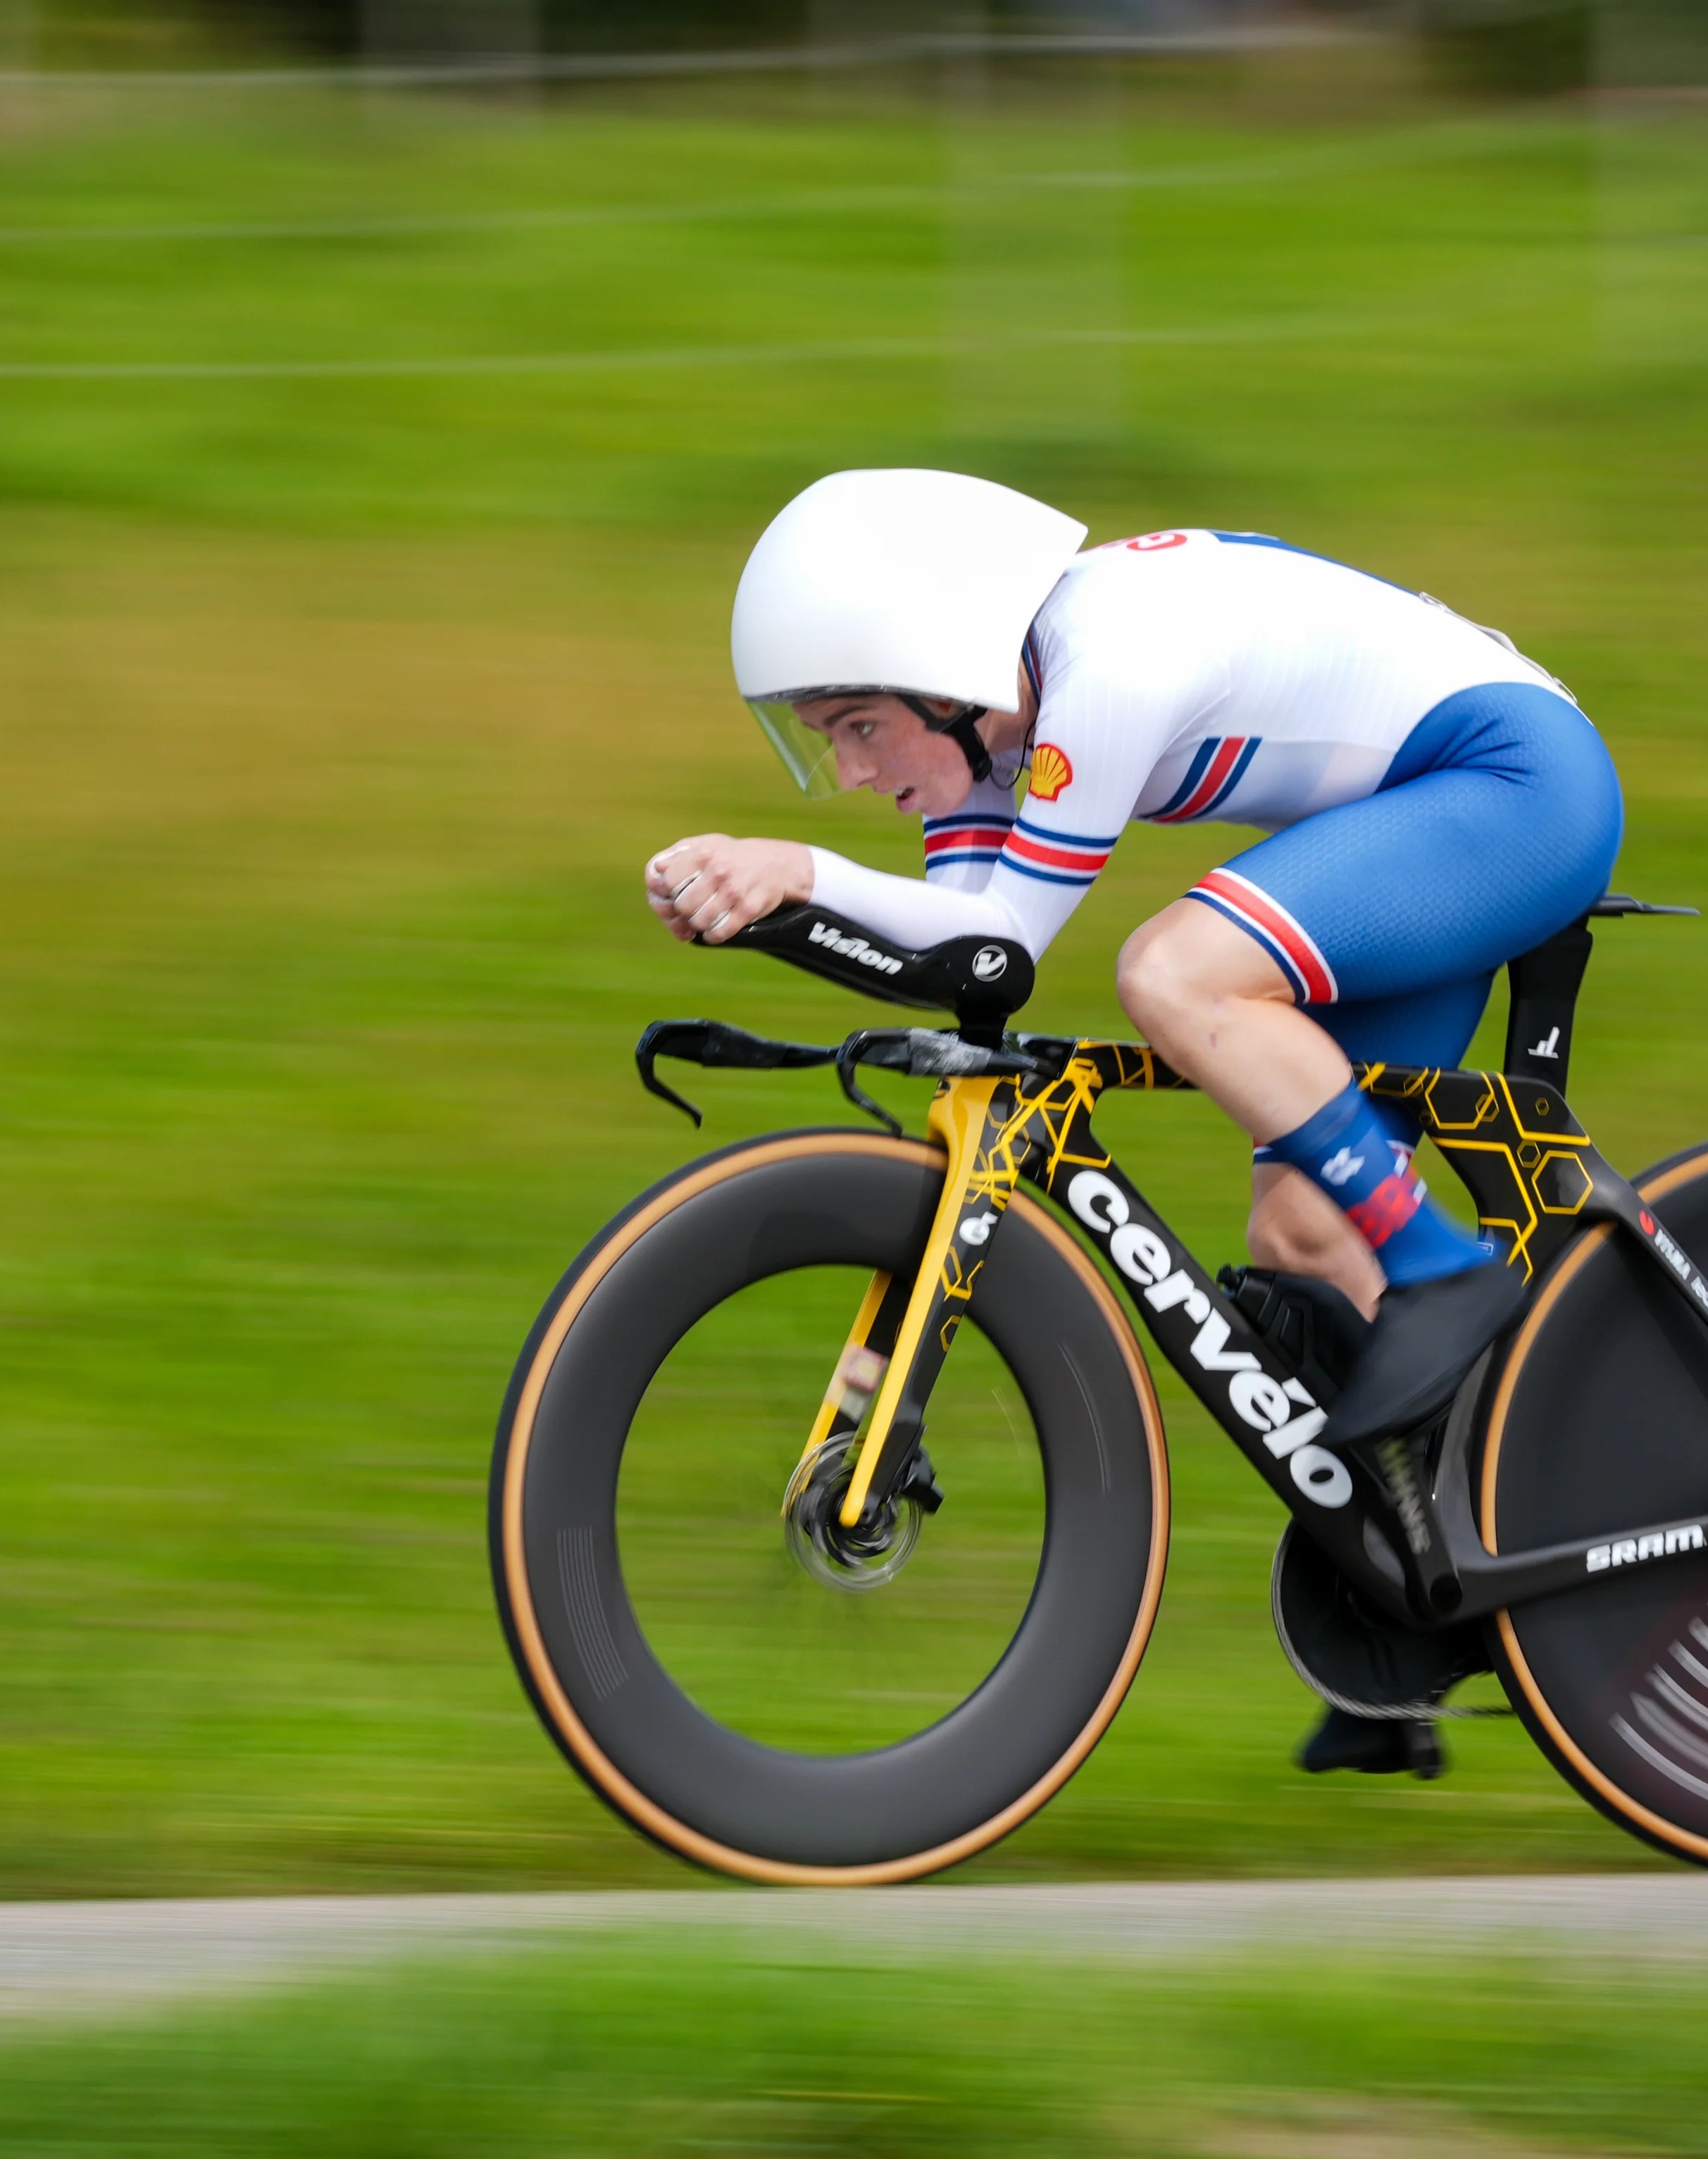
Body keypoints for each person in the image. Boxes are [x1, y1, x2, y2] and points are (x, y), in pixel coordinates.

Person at [643, 465, 1624, 1462]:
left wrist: (799, 870)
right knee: (1306, 1238)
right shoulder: (989, 728)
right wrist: (763, 911)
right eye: (828, 740)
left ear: (943, 684)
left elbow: (1010, 936)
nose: (852, 773)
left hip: (1518, 787)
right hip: (1423, 821)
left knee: (1170, 972)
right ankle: (1498, 1509)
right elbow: (970, 961)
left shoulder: (1106, 666)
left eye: (860, 727)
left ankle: (1441, 1270)